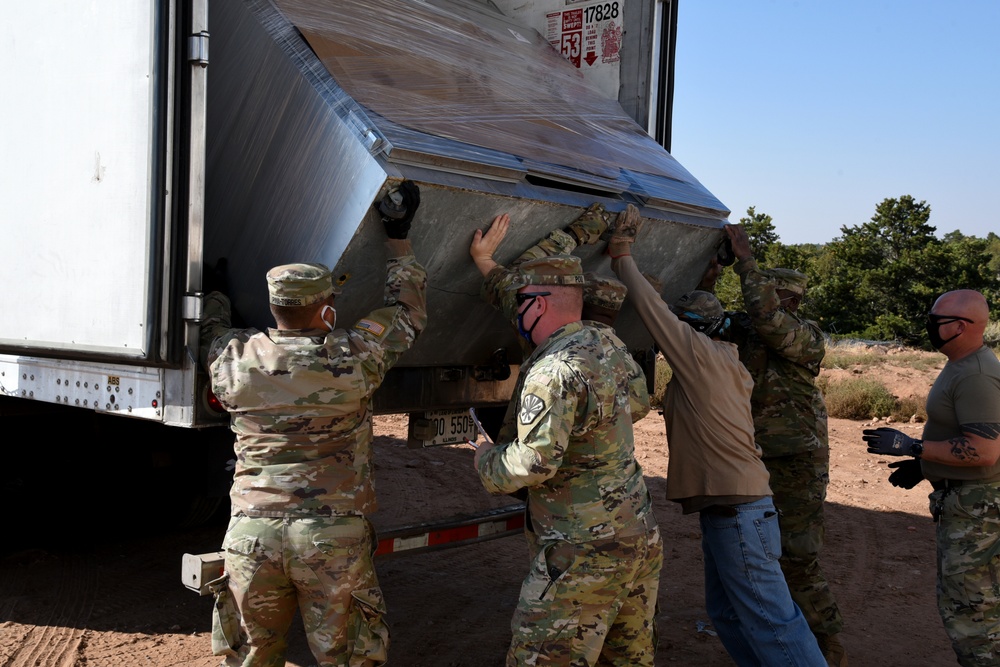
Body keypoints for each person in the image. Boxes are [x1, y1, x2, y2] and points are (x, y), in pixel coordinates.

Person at [200, 181, 427, 666]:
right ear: (327, 309)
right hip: (332, 538)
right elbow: (407, 311)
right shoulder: (356, 356)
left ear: (273, 306)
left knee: (250, 657)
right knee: (344, 657)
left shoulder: (234, 358)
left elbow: (210, 330)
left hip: (252, 534)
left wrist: (217, 292)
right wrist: (398, 237)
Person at [608, 205, 825, 667]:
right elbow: (693, 316)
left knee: (772, 620)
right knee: (726, 613)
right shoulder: (726, 357)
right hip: (732, 507)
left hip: (738, 510)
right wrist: (706, 277)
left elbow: (654, 312)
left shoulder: (704, 357)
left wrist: (622, 254)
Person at [469, 245, 662, 665]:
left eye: (520, 303)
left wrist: (486, 457)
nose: (514, 312)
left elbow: (533, 463)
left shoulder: (553, 370)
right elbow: (640, 405)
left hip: (582, 551)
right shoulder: (608, 344)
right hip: (637, 535)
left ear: (537, 305)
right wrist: (487, 264)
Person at [720, 223, 847, 666]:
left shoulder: (804, 335)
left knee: (797, 559)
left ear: (788, 300)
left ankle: (827, 650)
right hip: (755, 459)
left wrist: (745, 259)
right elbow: (700, 317)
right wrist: (710, 269)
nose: (769, 304)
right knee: (757, 556)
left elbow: (768, 319)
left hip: (796, 461)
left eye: (776, 297)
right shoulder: (753, 330)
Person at [863, 289, 1000, 666]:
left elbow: (985, 450)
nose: (929, 326)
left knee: (972, 613)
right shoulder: (962, 363)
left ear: (960, 326)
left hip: (976, 508)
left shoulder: (976, 375)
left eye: (935, 320)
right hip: (966, 501)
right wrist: (925, 469)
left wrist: (914, 448)